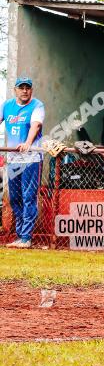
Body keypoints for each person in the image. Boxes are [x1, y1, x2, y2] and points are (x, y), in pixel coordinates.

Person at [1, 77, 44, 249]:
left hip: (31, 159)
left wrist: (28, 142)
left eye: (28, 88)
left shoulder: (37, 105)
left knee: (28, 197)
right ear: (15, 90)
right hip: (12, 160)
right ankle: (20, 236)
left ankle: (26, 237)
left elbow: (36, 125)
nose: (25, 91)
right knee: (15, 198)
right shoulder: (7, 105)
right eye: (21, 88)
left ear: (31, 90)